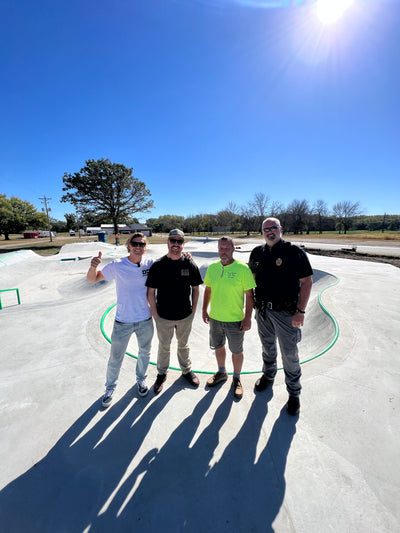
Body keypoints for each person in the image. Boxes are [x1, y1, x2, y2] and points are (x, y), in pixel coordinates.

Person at [249, 217, 313, 415]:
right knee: (267, 347)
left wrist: (300, 312)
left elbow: (307, 282)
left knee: (289, 353)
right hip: (263, 312)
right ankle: (268, 376)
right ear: (262, 232)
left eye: (273, 228)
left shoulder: (293, 252)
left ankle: (294, 392)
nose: (270, 231)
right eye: (266, 229)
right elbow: (250, 281)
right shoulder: (257, 253)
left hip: (285, 313)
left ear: (280, 229)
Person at [87, 233, 154, 407]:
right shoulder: (118, 265)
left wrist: (186, 257)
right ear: (128, 245)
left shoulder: (150, 263)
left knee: (144, 353)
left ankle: (141, 379)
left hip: (145, 319)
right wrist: (93, 266)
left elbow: (171, 266)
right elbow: (92, 279)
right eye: (135, 243)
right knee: (116, 357)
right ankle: (110, 388)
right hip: (122, 321)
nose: (138, 246)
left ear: (145, 247)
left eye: (142, 244)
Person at [146, 229, 203, 394]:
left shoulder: (189, 264)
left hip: (185, 316)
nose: (176, 244)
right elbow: (150, 292)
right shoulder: (158, 265)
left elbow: (196, 289)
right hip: (164, 316)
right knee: (164, 346)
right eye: (173, 241)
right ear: (168, 242)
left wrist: (193, 310)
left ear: (183, 244)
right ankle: (161, 374)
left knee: (183, 345)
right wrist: (155, 314)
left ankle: (186, 371)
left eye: (179, 241)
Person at [202, 236, 256, 399]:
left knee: (237, 350)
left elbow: (249, 295)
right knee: (218, 346)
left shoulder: (242, 268)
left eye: (226, 248)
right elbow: (208, 290)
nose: (223, 251)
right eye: (220, 248)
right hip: (216, 318)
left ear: (233, 249)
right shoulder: (213, 268)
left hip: (235, 319)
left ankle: (237, 378)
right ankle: (221, 372)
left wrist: (247, 318)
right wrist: (204, 310)